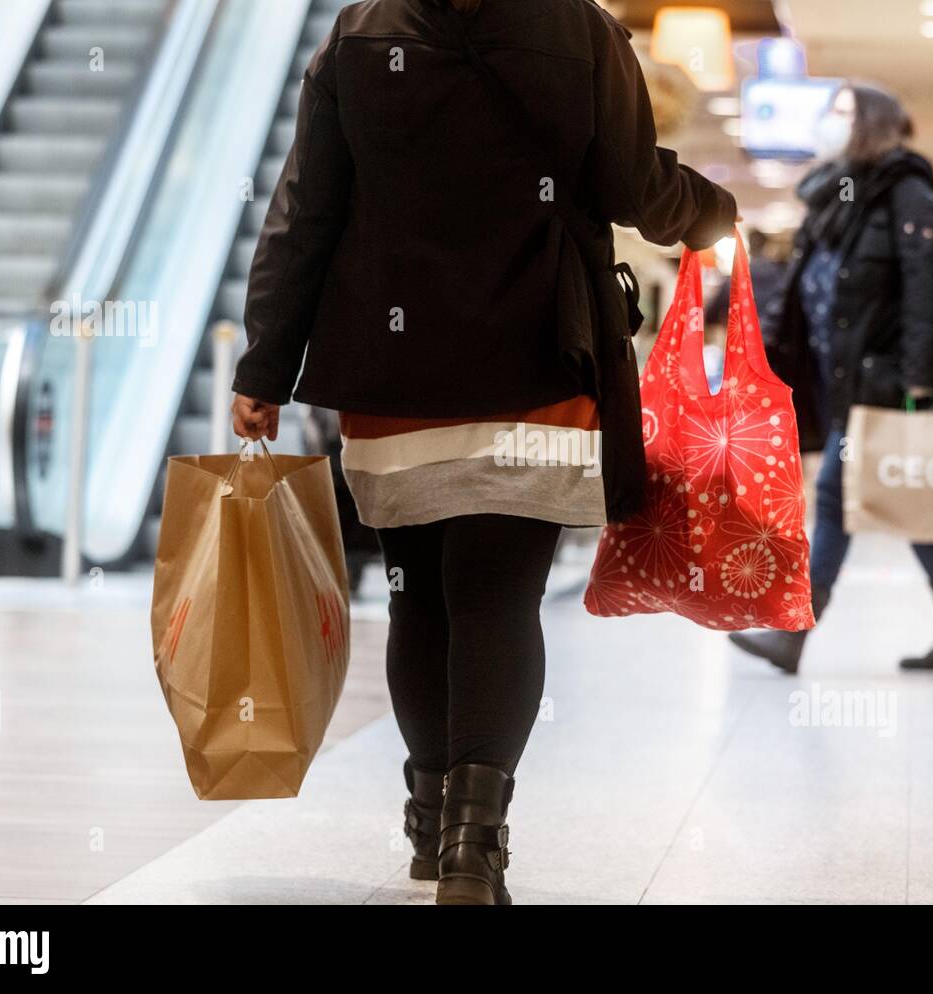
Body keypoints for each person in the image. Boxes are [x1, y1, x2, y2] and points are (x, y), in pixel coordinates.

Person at [230, 0, 736, 905]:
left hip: (392, 374)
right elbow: (629, 186)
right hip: (536, 361)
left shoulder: (358, 35)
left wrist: (265, 364)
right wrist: (710, 213)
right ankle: (473, 850)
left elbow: (305, 210)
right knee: (499, 596)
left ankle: (429, 824)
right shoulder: (581, 31)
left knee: (416, 594)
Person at [729, 82, 933, 674]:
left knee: (837, 496)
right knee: (906, 503)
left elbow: (926, 293)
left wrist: (919, 382)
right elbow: (807, 290)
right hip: (837, 377)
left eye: (843, 112)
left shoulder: (908, 195)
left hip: (886, 382)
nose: (830, 122)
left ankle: (793, 632)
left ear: (872, 122)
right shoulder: (836, 199)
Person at [704, 227, 785, 327]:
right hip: (773, 331)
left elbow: (713, 311)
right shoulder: (781, 274)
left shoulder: (738, 275)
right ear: (766, 246)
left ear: (749, 246)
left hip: (745, 332)